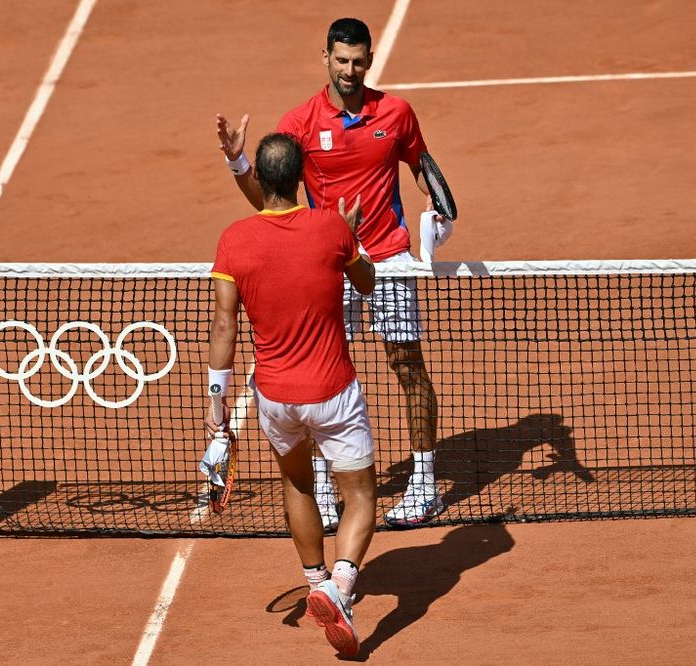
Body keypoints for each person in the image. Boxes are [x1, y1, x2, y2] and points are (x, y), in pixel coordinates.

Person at [215, 17, 444, 528]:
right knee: (319, 372)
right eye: (341, 60)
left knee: (408, 365)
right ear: (326, 58)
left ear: (369, 61)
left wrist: (434, 202)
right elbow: (271, 202)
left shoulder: (397, 113)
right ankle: (321, 487)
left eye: (358, 61)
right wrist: (238, 163)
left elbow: (420, 164)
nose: (349, 70)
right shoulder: (299, 123)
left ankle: (425, 484)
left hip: (389, 259)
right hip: (326, 263)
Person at [206, 132, 376, 656]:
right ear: (301, 177)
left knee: (299, 483)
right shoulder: (331, 228)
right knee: (360, 495)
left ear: (260, 177)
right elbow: (367, 282)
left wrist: (216, 408)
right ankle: (340, 585)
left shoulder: (233, 239)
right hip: (332, 391)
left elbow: (225, 327)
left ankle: (316, 581)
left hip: (275, 399)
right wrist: (351, 238)